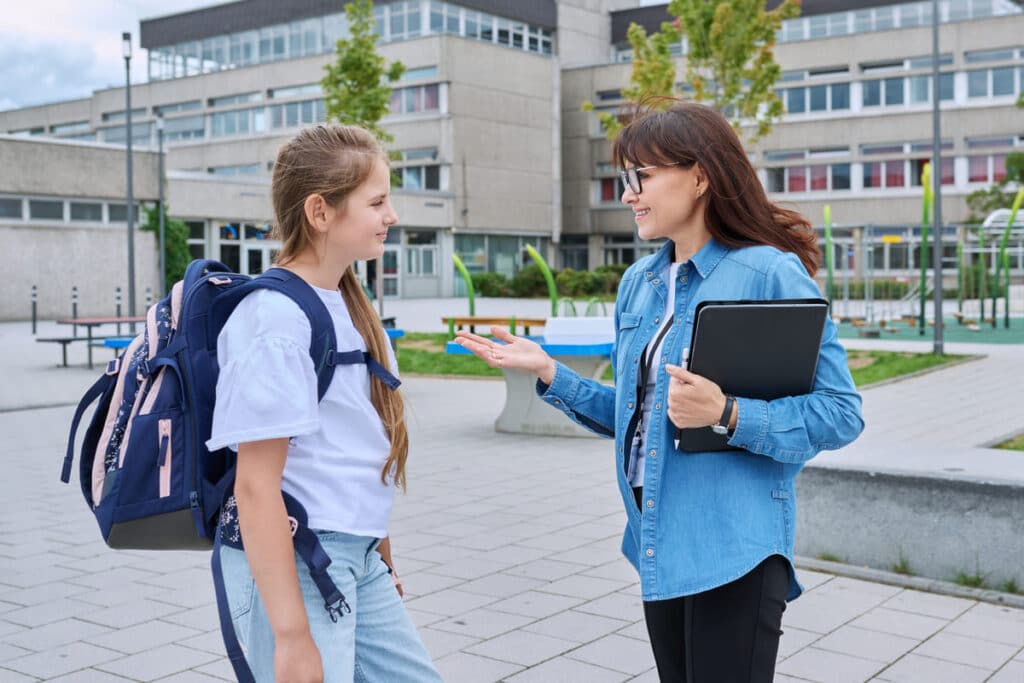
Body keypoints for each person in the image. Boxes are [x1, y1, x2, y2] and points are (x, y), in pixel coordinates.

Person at [455, 100, 864, 682]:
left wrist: (726, 412)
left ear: (700, 176)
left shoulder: (769, 273)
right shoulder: (640, 283)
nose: (629, 195)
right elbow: (636, 417)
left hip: (734, 547)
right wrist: (549, 372)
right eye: (626, 180)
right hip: (656, 540)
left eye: (641, 177)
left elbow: (840, 413)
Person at [207, 124, 442, 683]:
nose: (392, 216)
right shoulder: (274, 319)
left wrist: (379, 556)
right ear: (320, 211)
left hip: (355, 557)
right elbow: (255, 485)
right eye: (378, 202)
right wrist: (290, 637)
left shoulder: (350, 308)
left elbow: (357, 444)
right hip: (303, 561)